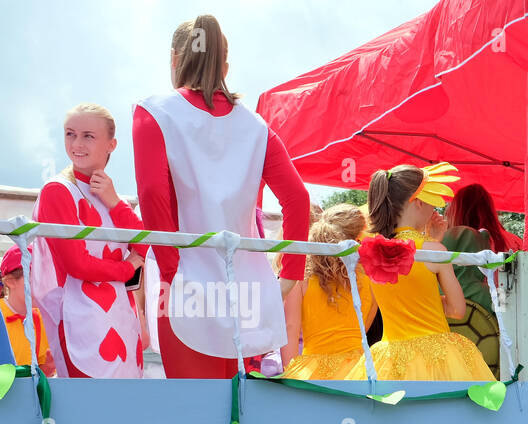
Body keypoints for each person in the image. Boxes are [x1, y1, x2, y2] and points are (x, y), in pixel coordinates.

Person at [134, 14, 309, 378]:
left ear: (174, 59)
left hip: (182, 282)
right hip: (242, 290)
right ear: (225, 64)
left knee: (193, 410)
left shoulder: (153, 112)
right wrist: (290, 274)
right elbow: (298, 199)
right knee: (229, 408)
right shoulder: (256, 126)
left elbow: (152, 196)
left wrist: (170, 270)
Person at [29, 104, 148, 378]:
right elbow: (77, 264)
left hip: (123, 319)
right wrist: (126, 268)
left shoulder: (112, 194)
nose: (76, 144)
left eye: (88, 136)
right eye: (70, 134)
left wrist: (115, 202)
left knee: (125, 410)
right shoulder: (57, 191)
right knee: (87, 411)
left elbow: (144, 242)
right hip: (77, 319)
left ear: (112, 144)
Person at [343, 165, 490, 382]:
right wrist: (434, 243)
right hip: (437, 358)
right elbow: (457, 309)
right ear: (419, 201)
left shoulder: (371, 252)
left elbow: (402, 295)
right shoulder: (434, 252)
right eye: (432, 201)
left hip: (389, 359)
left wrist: (432, 240)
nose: (434, 210)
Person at [281, 207, 377, 380]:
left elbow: (290, 327)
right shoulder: (370, 277)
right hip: (358, 370)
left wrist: (290, 373)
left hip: (313, 370)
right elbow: (366, 323)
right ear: (355, 240)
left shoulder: (301, 277)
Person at [442, 183, 522, 376]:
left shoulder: (453, 239)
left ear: (457, 211)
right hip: (509, 321)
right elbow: (511, 297)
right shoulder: (513, 241)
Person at [0, 247, 55, 375]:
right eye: (33, 280)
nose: (42, 287)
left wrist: (50, 366)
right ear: (10, 282)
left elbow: (39, 376)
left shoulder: (40, 319)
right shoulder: (1, 313)